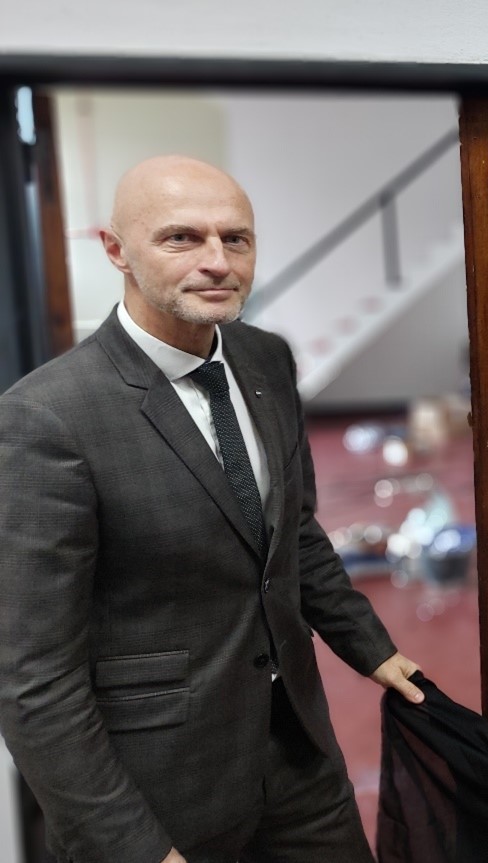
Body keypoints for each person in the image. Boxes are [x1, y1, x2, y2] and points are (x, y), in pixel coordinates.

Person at [0, 155, 427, 863]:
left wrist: (371, 647)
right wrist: (133, 847)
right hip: (163, 792)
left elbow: (292, 531)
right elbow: (35, 680)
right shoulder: (48, 418)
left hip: (298, 755)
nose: (217, 262)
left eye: (236, 238)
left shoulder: (266, 360)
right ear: (117, 250)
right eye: (181, 238)